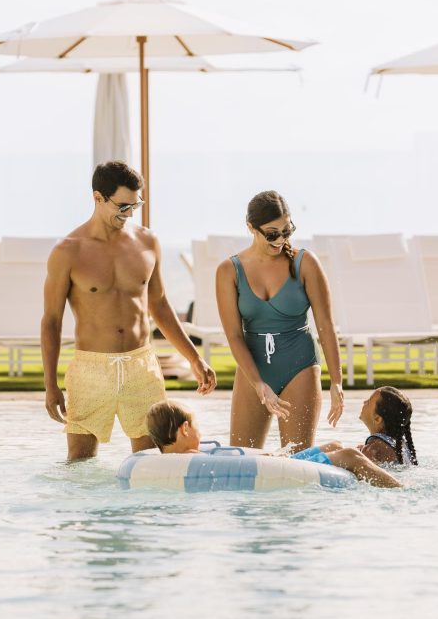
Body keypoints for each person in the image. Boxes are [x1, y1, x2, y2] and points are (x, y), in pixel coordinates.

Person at [41, 160, 216, 462]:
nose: (130, 214)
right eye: (123, 206)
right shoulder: (68, 251)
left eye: (135, 206)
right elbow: (52, 321)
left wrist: (194, 358)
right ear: (98, 198)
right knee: (80, 464)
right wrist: (50, 386)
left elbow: (160, 305)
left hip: (141, 367)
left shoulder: (147, 242)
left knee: (151, 463)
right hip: (91, 369)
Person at [215, 190, 344, 453]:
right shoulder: (229, 271)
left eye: (287, 230)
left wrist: (337, 382)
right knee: (243, 459)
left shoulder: (304, 263)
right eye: (272, 233)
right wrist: (259, 384)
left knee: (298, 461)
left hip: (299, 366)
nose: (281, 239)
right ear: (251, 227)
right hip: (254, 370)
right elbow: (234, 336)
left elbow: (325, 326)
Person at [145, 400, 401, 489]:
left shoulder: (184, 457)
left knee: (332, 444)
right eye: (196, 424)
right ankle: (400, 487)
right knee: (348, 455)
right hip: (277, 469)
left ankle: (378, 466)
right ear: (185, 429)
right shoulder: (193, 462)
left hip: (276, 463)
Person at [358, 386, 417, 466]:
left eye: (368, 402)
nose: (364, 402)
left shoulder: (372, 449)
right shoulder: (402, 446)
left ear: (377, 419)